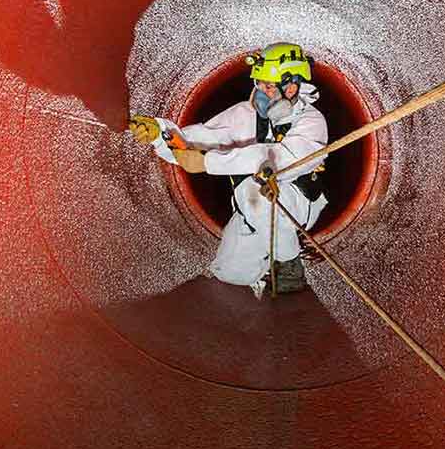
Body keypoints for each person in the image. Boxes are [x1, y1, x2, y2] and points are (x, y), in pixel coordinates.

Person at [129, 43, 330, 296]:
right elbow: (198, 139)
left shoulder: (311, 122)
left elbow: (279, 159)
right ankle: (271, 255)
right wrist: (161, 134)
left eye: (268, 86)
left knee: (253, 191)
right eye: (258, 84)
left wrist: (208, 162)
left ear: (291, 88)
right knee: (231, 274)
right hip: (253, 208)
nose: (259, 92)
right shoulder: (245, 114)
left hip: (298, 204)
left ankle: (289, 262)